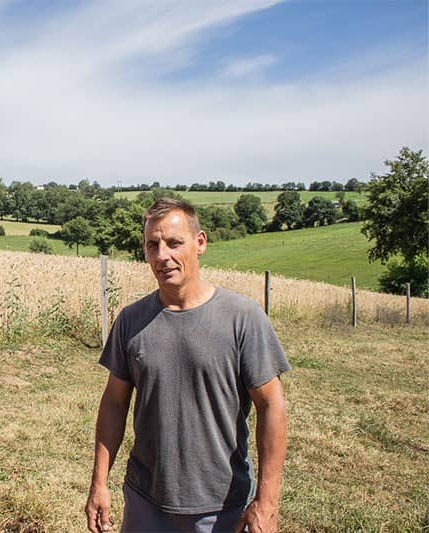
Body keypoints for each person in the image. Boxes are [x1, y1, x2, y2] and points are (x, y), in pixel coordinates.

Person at [85, 198, 289, 533]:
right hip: (144, 502)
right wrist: (99, 482)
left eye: (174, 243)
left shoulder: (242, 318)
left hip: (222, 507)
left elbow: (272, 405)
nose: (162, 255)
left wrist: (267, 501)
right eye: (152, 245)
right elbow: (114, 402)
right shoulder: (130, 321)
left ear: (200, 243)